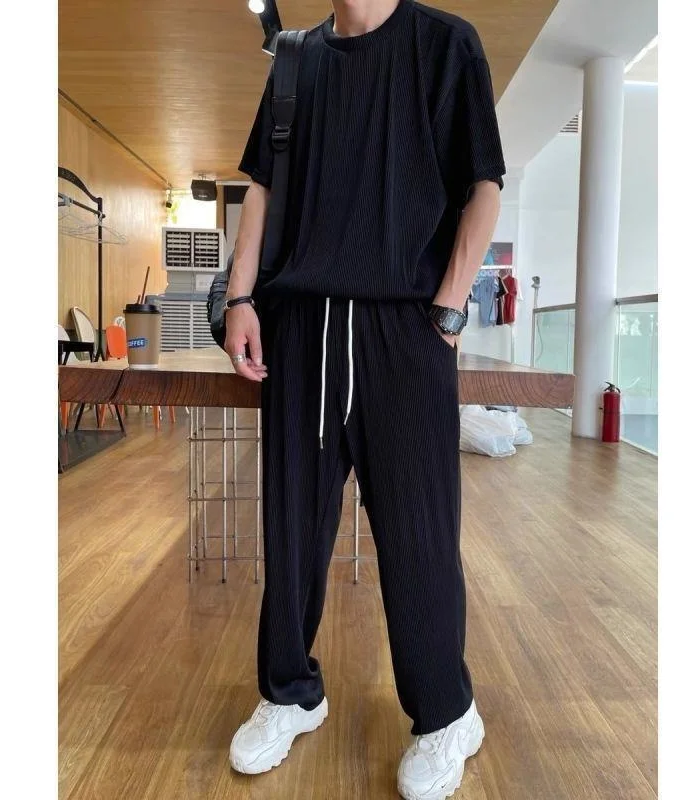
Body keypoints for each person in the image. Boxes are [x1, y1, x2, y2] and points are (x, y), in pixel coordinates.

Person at [224, 1, 505, 797]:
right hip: (301, 327)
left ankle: (448, 714)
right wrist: (240, 298)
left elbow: (483, 185)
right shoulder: (295, 59)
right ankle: (290, 693)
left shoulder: (445, 45)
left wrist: (447, 309)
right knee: (291, 530)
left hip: (404, 330)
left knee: (419, 538)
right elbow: (262, 189)